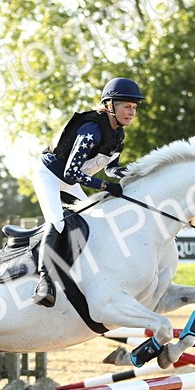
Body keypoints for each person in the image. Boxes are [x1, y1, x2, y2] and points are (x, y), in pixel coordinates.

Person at [31, 77, 143, 307]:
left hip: (71, 181)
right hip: (49, 176)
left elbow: (111, 168)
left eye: (134, 107)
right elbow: (72, 172)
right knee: (57, 221)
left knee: (96, 221)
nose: (132, 112)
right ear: (110, 105)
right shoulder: (92, 130)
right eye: (127, 106)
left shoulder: (118, 135)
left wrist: (133, 175)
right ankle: (44, 281)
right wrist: (105, 186)